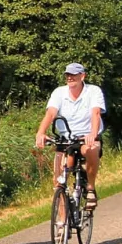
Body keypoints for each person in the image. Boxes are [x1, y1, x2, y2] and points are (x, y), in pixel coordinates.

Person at [35, 62, 106, 209]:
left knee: (91, 150)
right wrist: (41, 132)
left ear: (82, 76)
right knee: (59, 181)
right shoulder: (59, 92)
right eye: (68, 75)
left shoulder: (93, 91)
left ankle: (90, 188)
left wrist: (92, 134)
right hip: (66, 139)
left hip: (85, 137)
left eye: (73, 74)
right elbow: (51, 113)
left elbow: (96, 112)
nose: (70, 77)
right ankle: (62, 224)